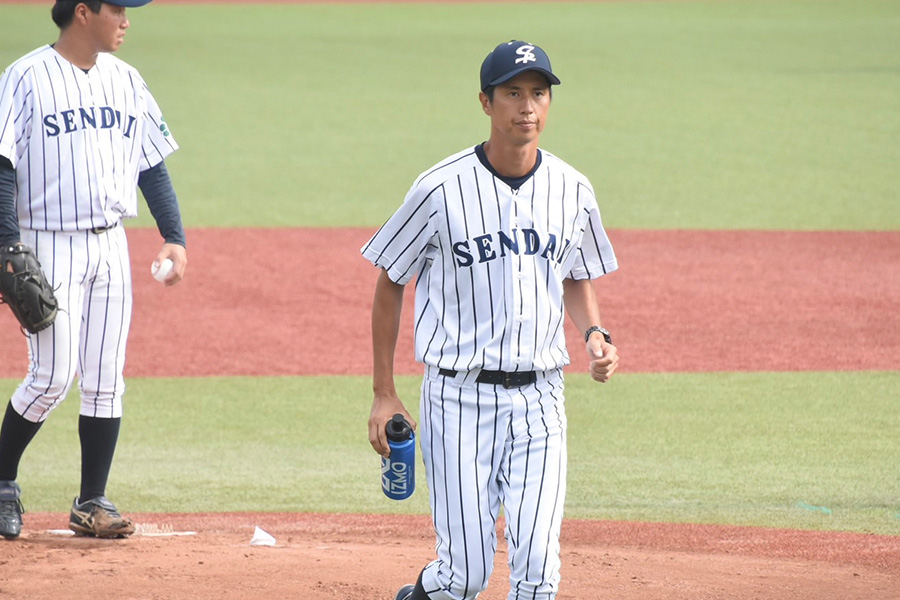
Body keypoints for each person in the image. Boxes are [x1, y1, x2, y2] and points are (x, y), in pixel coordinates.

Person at [361, 40, 619, 600]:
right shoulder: (438, 189)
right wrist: (385, 392)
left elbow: (576, 271)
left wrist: (595, 333)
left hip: (542, 400)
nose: (527, 106)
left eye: (539, 93)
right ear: (486, 102)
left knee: (538, 577)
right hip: (457, 400)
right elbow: (389, 281)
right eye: (513, 93)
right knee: (464, 579)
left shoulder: (573, 189)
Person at [0, 0, 186, 539]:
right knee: (52, 376)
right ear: (82, 12)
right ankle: (3, 482)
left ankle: (92, 500)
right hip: (45, 244)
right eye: (118, 9)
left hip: (110, 246)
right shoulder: (26, 78)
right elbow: (3, 166)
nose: (127, 19)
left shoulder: (127, 80)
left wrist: (174, 236)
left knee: (106, 379)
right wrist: (7, 245)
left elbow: (151, 162)